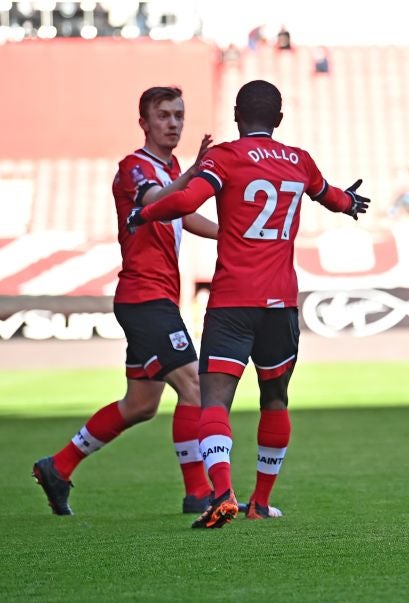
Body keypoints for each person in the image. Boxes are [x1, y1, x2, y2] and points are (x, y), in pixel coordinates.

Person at [126, 80, 370, 528]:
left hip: (232, 301)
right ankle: (259, 501)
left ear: (236, 117)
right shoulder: (300, 161)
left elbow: (184, 200)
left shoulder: (224, 157)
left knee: (215, 400)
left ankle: (221, 492)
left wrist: (144, 213)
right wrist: (350, 202)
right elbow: (331, 195)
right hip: (281, 305)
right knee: (275, 399)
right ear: (278, 120)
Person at [32, 86, 217, 516]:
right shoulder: (134, 167)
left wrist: (231, 234)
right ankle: (198, 494)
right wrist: (191, 175)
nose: (173, 124)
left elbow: (182, 212)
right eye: (165, 116)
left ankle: (58, 466)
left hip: (157, 299)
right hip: (144, 298)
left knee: (140, 405)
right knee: (194, 385)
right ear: (145, 123)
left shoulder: (168, 168)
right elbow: (156, 200)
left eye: (179, 116)